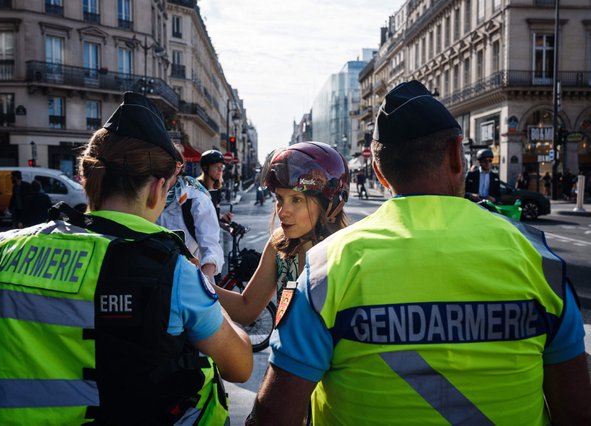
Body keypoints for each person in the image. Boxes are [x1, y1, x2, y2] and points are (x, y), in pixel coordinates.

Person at [251, 81, 590, 425]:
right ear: (457, 155)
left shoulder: (327, 265)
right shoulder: (539, 259)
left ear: (381, 174)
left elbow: (274, 414)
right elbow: (576, 411)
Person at [0, 92, 252, 425]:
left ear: (85, 179)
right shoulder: (171, 270)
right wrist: (208, 292)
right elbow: (241, 366)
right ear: (157, 188)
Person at [214, 141, 349, 326]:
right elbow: (246, 309)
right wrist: (192, 280)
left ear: (330, 204)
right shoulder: (280, 243)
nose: (282, 211)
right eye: (279, 198)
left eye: (296, 200)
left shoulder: (349, 252)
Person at [157, 158, 225, 283]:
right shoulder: (143, 197)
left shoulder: (195, 198)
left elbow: (211, 247)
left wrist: (202, 282)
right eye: (217, 166)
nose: (220, 170)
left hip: (188, 282)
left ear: (178, 167)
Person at [198, 149, 233, 225]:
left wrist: (222, 218)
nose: (220, 170)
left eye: (221, 166)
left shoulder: (216, 189)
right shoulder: (197, 188)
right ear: (205, 168)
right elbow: (200, 220)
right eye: (216, 166)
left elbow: (212, 216)